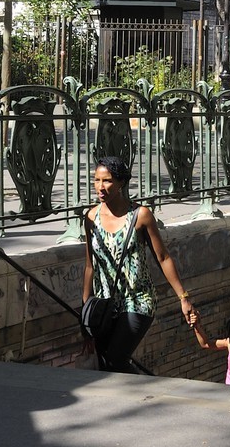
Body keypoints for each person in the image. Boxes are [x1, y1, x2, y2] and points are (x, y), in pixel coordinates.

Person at [82, 155, 199, 372]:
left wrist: (183, 298)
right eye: (96, 180)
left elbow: (163, 257)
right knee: (106, 363)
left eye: (107, 181)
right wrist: (86, 315)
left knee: (115, 359)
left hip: (138, 300)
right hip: (105, 304)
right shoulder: (90, 218)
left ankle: (150, 389)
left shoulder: (140, 216)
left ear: (121, 183)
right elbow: (90, 266)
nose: (100, 187)